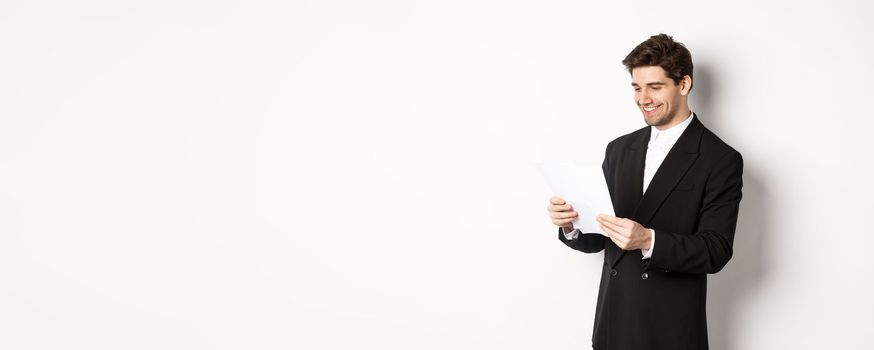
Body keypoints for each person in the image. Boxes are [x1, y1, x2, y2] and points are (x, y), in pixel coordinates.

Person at [546, 34, 743, 350]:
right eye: (637, 88)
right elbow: (598, 239)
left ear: (684, 84)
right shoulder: (619, 149)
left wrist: (648, 240)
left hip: (670, 330)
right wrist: (571, 223)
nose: (643, 98)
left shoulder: (720, 159)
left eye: (655, 87)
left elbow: (715, 249)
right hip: (613, 323)